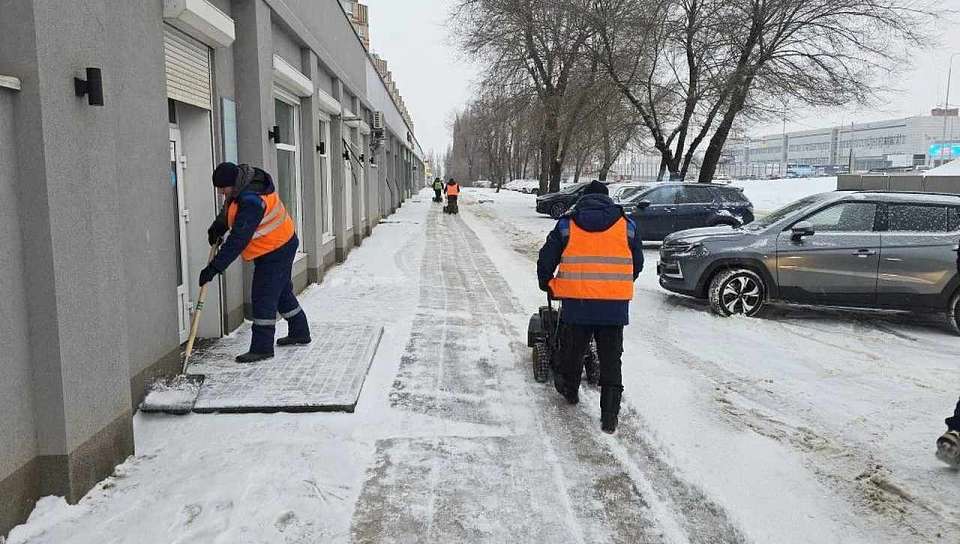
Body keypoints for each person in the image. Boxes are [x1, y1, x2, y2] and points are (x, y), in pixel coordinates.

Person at [537, 180, 643, 433]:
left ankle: (570, 392)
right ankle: (609, 416)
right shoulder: (627, 225)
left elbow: (546, 258)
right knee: (611, 360)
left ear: (583, 198)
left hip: (577, 304)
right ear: (608, 199)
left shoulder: (567, 224)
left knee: (572, 352)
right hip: (614, 308)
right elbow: (637, 263)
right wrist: (617, 284)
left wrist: (547, 284)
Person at [202, 162, 312, 363]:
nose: (221, 193)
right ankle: (300, 332)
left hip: (277, 248)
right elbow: (229, 210)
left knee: (263, 294)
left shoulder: (252, 200)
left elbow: (238, 240)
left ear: (231, 184)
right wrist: (218, 227)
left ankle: (262, 348)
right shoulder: (241, 187)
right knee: (280, 291)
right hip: (275, 244)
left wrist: (214, 268)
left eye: (222, 188)